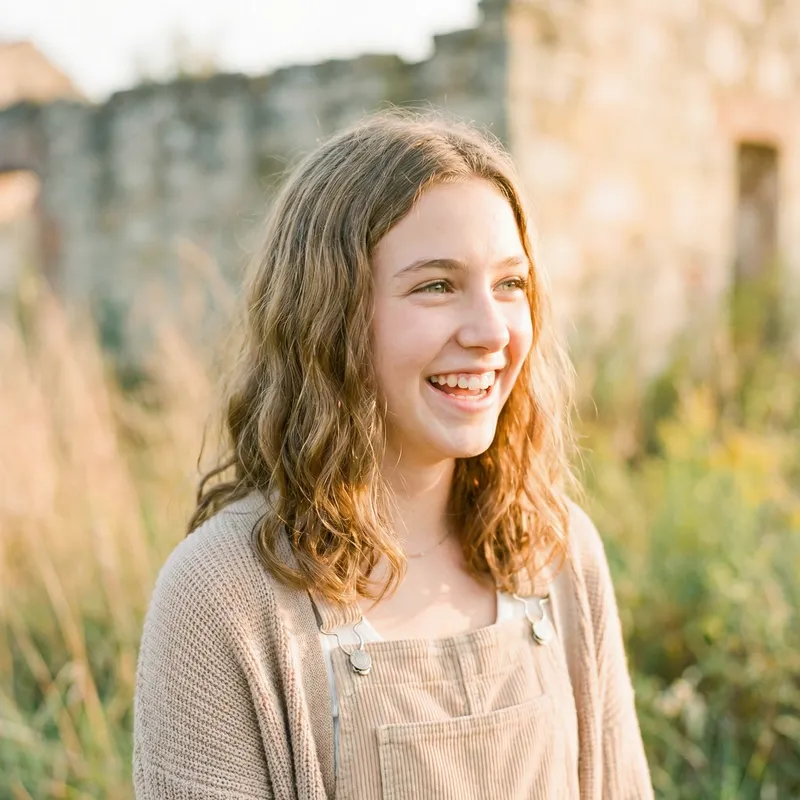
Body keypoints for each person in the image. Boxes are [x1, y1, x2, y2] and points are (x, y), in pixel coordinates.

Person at [132, 110, 654, 799]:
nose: (491, 330)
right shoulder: (222, 598)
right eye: (436, 285)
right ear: (330, 316)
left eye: (510, 284)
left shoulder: (557, 554)